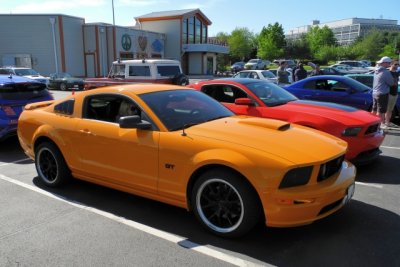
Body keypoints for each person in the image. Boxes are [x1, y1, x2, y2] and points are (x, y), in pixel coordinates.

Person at [372, 56, 394, 129]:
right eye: (389, 63)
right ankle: (379, 125)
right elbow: (391, 83)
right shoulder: (386, 72)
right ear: (384, 63)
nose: (389, 64)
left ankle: (372, 123)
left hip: (375, 92)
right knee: (381, 110)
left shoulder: (376, 70)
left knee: (374, 109)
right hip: (382, 93)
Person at [386, 60, 399, 127]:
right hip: (389, 93)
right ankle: (386, 122)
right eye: (395, 64)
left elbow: (396, 83)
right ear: (391, 64)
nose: (397, 66)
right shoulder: (388, 73)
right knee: (387, 109)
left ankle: (388, 122)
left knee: (391, 109)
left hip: (395, 94)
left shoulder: (396, 73)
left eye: (398, 64)